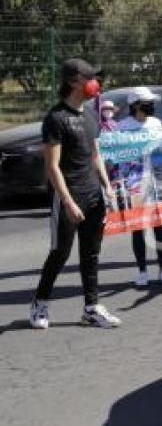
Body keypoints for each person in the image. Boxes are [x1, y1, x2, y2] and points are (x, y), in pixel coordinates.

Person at [29, 58, 121, 329]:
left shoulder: (91, 115)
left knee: (91, 254)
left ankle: (91, 308)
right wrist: (67, 202)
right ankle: (40, 303)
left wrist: (107, 186)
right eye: (89, 77)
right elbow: (52, 166)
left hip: (94, 196)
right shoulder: (56, 118)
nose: (96, 82)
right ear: (73, 82)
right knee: (60, 252)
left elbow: (95, 155)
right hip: (68, 196)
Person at [118, 87, 162, 287]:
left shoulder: (156, 123)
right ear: (135, 105)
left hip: (157, 180)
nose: (151, 105)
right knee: (138, 227)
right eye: (147, 102)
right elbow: (115, 157)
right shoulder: (121, 127)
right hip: (134, 183)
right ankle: (142, 270)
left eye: (151, 102)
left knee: (161, 224)